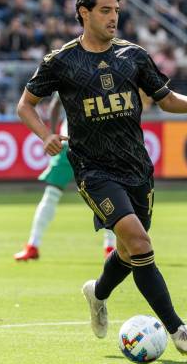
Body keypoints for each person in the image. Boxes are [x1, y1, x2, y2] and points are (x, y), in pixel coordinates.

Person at [16, 0, 187, 356]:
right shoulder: (61, 61)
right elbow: (26, 104)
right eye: (105, 10)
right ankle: (179, 330)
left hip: (136, 167)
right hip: (92, 168)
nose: (113, 17)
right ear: (84, 12)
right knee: (140, 241)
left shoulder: (133, 56)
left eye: (116, 10)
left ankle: (97, 293)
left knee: (131, 252)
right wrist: (45, 136)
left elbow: (167, 100)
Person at [14, 94, 117, 261]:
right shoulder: (101, 75)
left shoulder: (70, 71)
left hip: (74, 144)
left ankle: (33, 245)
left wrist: (53, 135)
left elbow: (55, 105)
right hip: (91, 145)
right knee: (107, 196)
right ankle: (110, 248)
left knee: (51, 195)